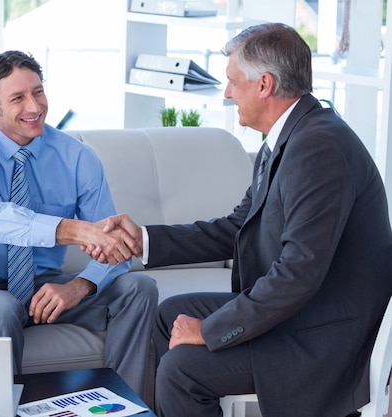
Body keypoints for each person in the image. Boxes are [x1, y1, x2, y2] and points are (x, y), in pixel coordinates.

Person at [85, 23, 392, 417]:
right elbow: (236, 227)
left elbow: (297, 274)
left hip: (324, 335)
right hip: (305, 313)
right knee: (169, 314)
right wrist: (144, 239)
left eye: (232, 82)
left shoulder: (318, 149)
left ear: (264, 84)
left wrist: (207, 332)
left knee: (182, 371)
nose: (227, 93)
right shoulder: (289, 136)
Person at [0, 50, 157, 395]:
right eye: (18, 98)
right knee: (3, 309)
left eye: (38, 92)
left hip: (45, 284)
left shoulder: (77, 156)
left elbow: (114, 247)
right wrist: (74, 231)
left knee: (138, 289)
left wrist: (79, 285)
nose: (34, 106)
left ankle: (124, 403)